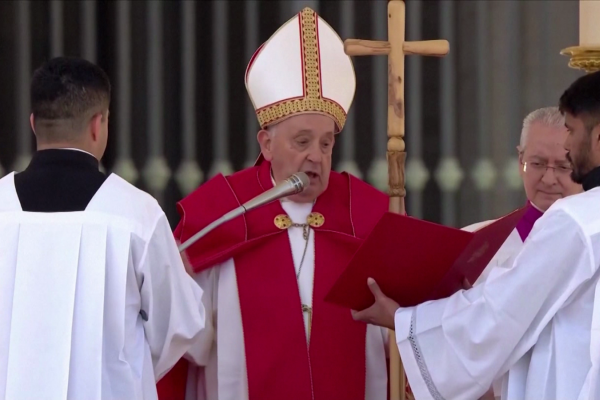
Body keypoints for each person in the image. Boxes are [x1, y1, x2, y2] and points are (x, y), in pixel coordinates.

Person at [156, 7, 390, 400]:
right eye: (302, 142)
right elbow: (185, 345)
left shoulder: (367, 216)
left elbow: (404, 341)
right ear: (266, 144)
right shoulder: (222, 213)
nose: (316, 156)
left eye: (326, 143)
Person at [352, 70, 600, 399]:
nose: (567, 145)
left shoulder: (576, 220)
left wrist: (403, 319)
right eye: (538, 163)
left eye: (571, 131)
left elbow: (500, 315)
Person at [0, 57, 206, 400]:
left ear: (34, 124)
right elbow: (178, 327)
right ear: (99, 125)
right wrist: (121, 366)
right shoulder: (136, 215)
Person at [464, 106, 582, 285]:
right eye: (537, 163)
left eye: (563, 167)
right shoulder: (471, 244)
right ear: (521, 161)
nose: (548, 179)